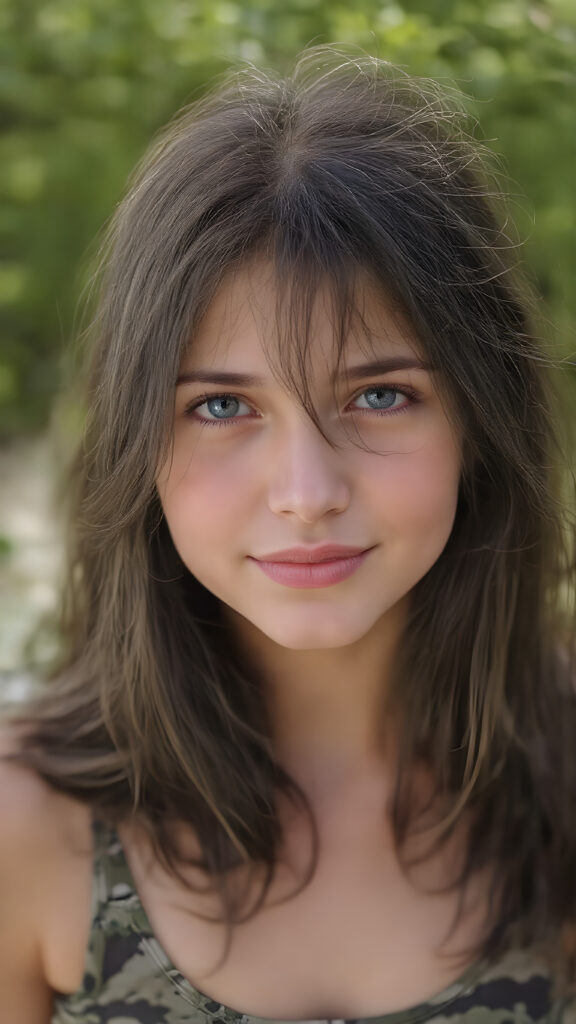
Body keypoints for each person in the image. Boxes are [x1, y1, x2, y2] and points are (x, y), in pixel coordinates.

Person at [1, 45, 575, 1024]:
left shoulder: (560, 778)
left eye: (381, 394)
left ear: (478, 421)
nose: (307, 493)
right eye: (223, 406)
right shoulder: (29, 821)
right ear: (139, 440)